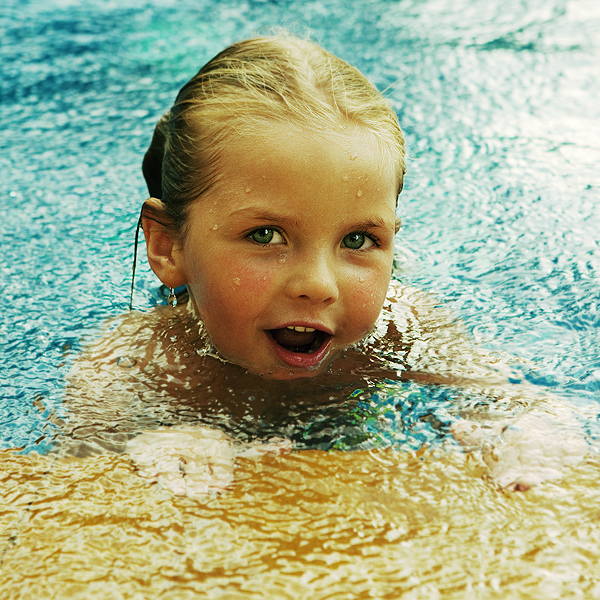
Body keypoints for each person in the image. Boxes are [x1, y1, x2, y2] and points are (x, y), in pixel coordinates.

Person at [64, 33, 587, 497]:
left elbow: (516, 404)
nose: (318, 285)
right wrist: (156, 444)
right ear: (168, 247)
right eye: (265, 235)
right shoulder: (134, 364)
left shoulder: (403, 330)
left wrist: (526, 437)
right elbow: (83, 474)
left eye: (358, 239)